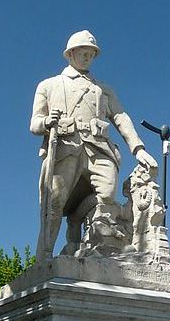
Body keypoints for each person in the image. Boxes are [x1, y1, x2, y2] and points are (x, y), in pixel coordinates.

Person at [31, 30, 157, 258]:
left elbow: (120, 117)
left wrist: (138, 148)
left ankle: (98, 239)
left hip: (98, 148)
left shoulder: (103, 89)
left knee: (107, 194)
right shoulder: (49, 85)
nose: (88, 58)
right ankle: (45, 254)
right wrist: (47, 122)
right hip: (66, 149)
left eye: (91, 54)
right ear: (70, 55)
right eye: (83, 53)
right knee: (55, 203)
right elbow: (34, 123)